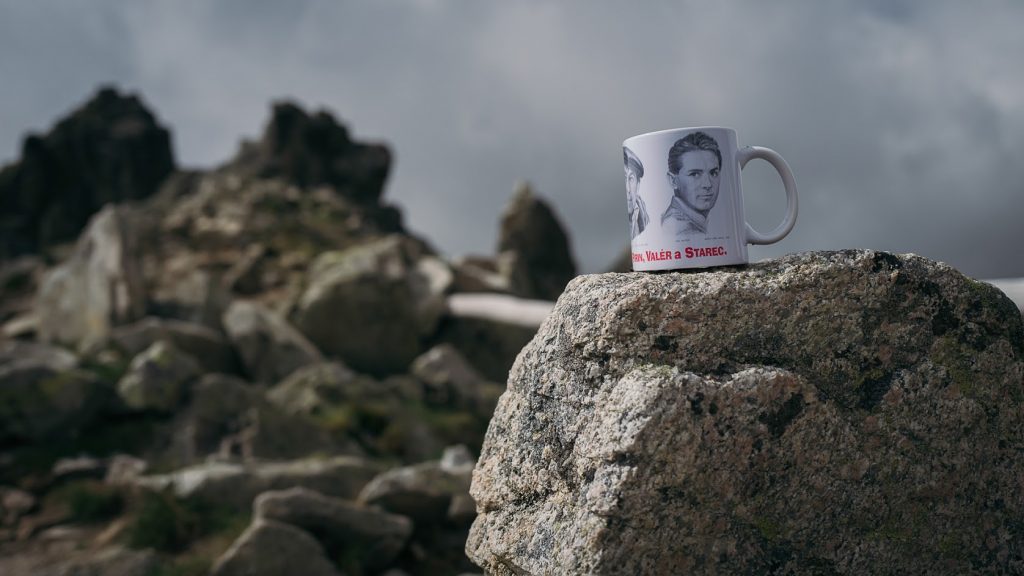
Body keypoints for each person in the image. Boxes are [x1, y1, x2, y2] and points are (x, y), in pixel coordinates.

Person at [660, 131, 722, 237]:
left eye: (713, 173)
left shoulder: (702, 222)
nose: (707, 184)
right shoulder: (681, 230)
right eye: (695, 174)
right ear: (673, 181)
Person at [623, 146, 650, 240]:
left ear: (638, 185)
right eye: (624, 177)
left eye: (631, 178)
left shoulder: (643, 214)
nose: (628, 189)